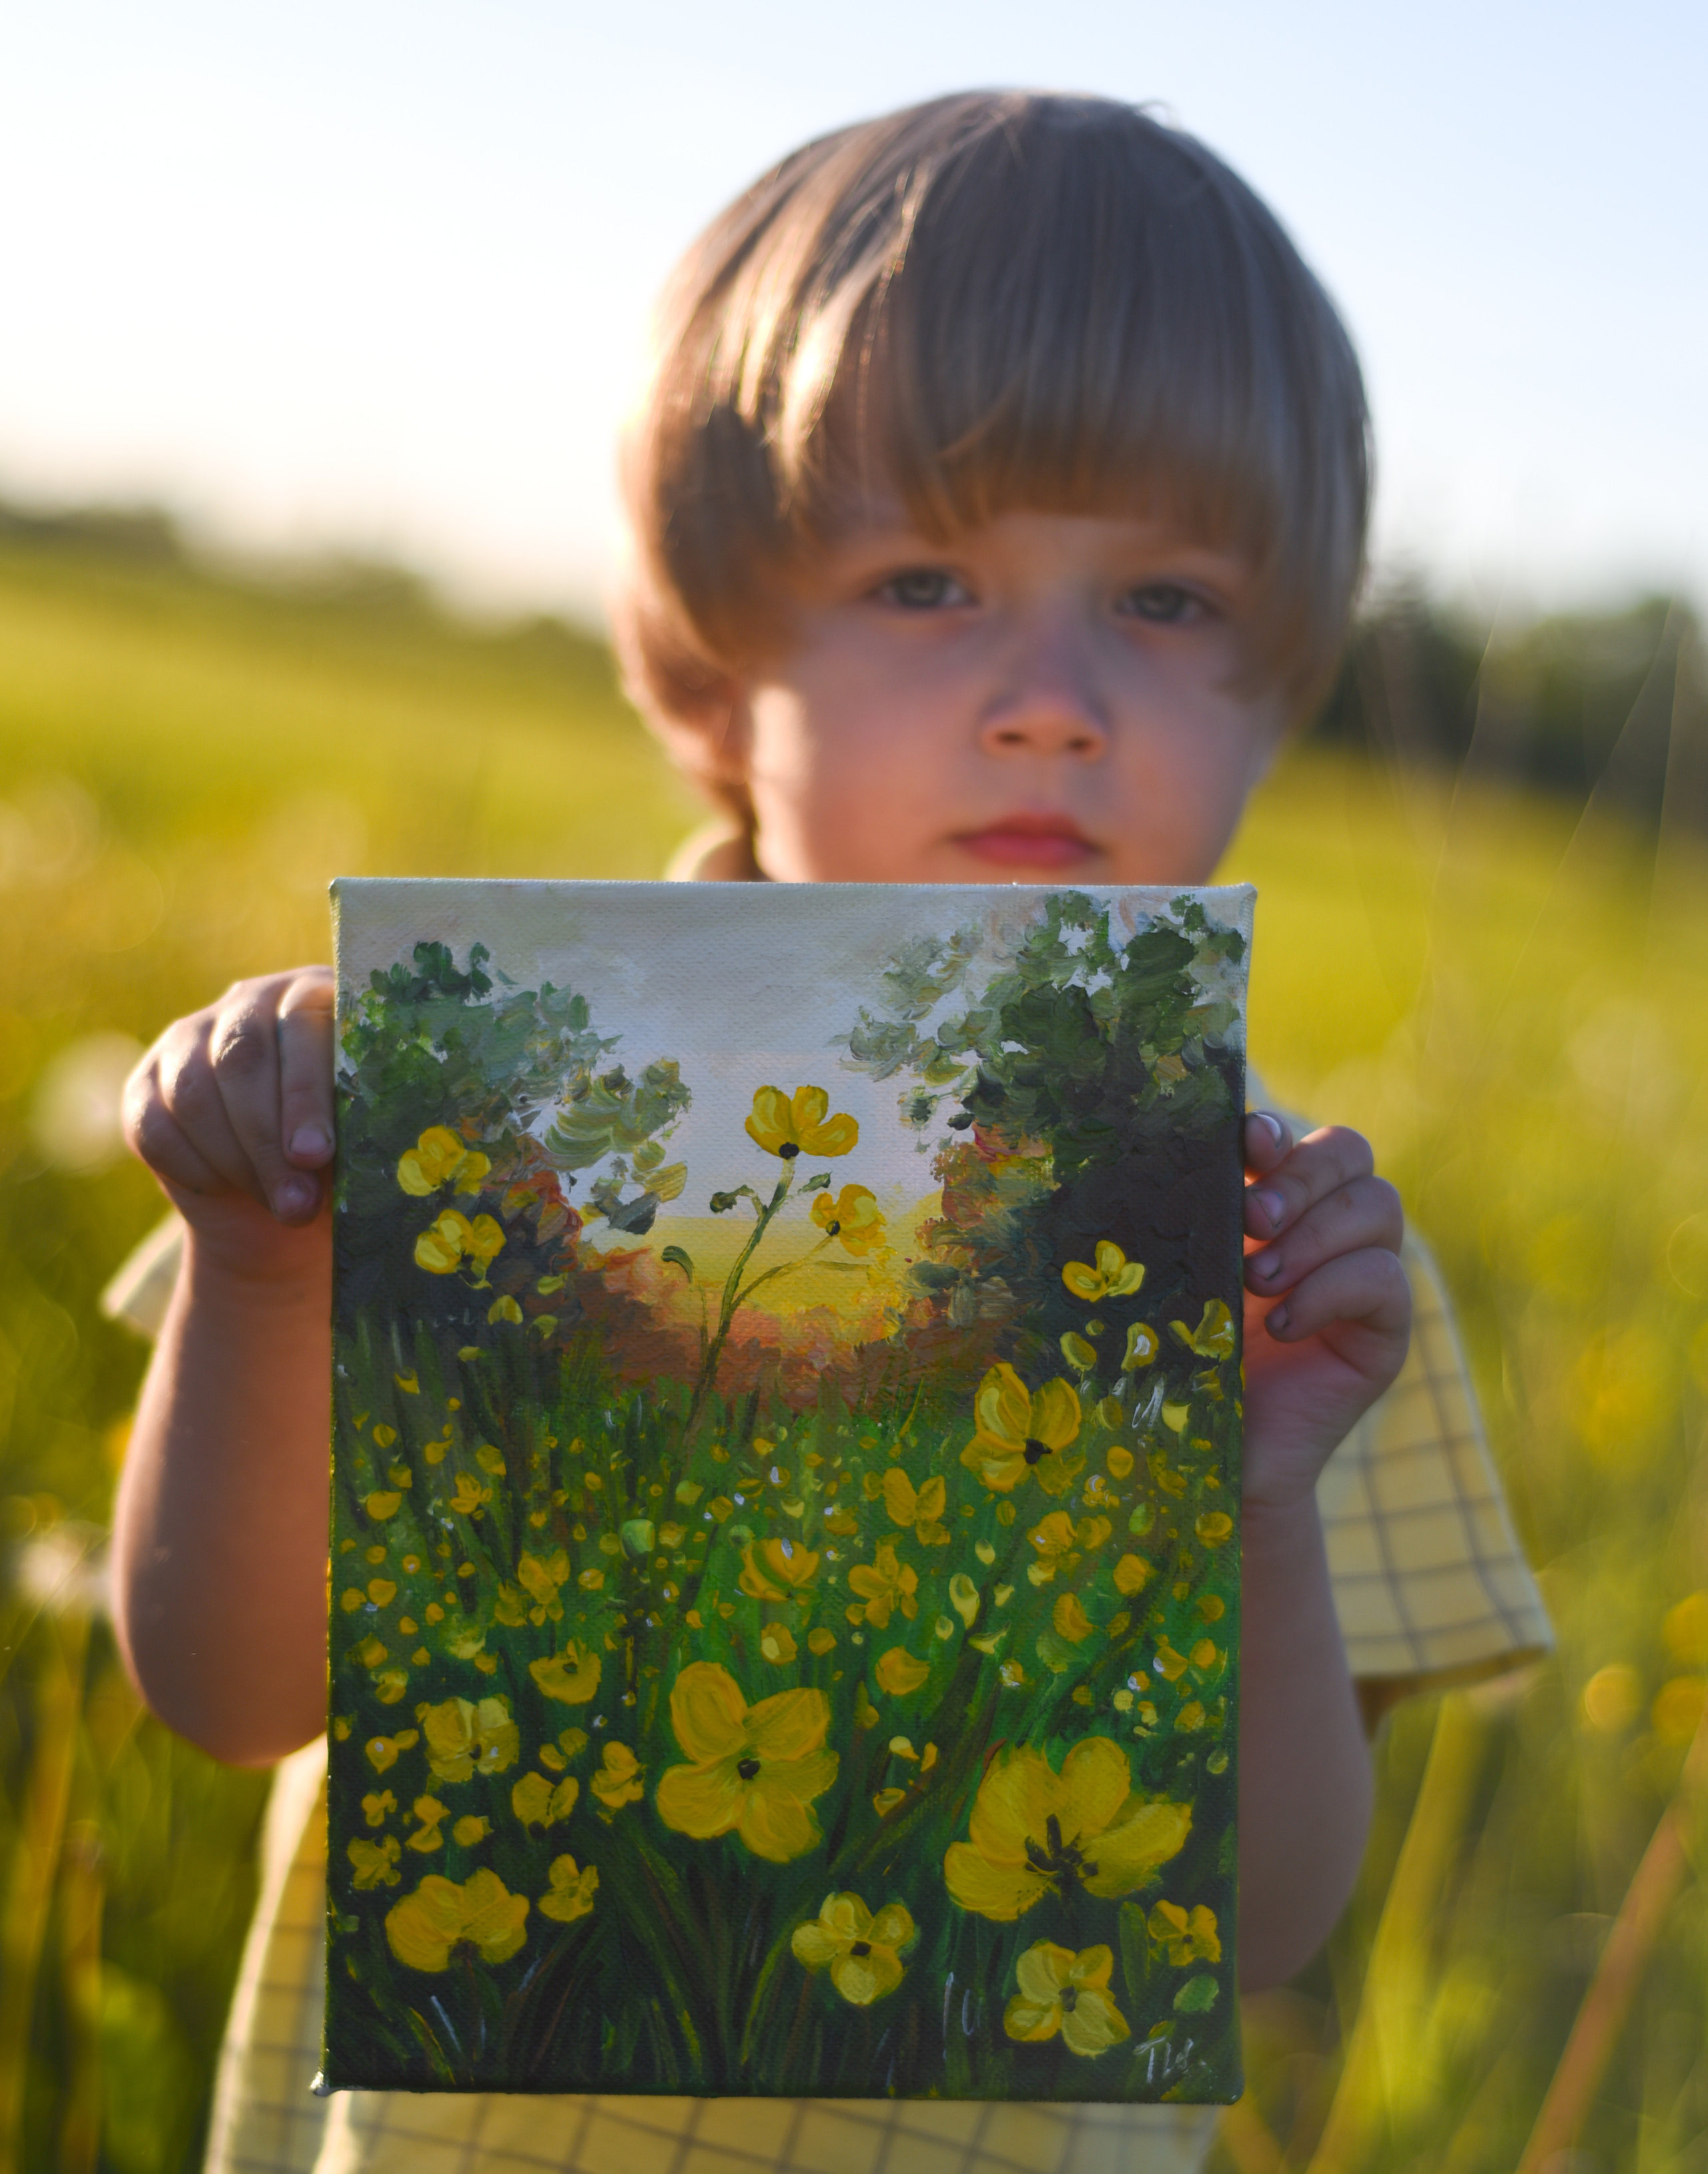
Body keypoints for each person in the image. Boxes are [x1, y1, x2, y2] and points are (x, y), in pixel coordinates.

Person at [108, 91, 1549, 2174]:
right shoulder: (430, 1112)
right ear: (716, 665)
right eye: (925, 576)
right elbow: (225, 1686)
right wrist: (262, 1262)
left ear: (1279, 687)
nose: (1052, 696)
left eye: (1165, 602)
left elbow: (1250, 1929)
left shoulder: (1298, 1262)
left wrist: (1250, 1488)